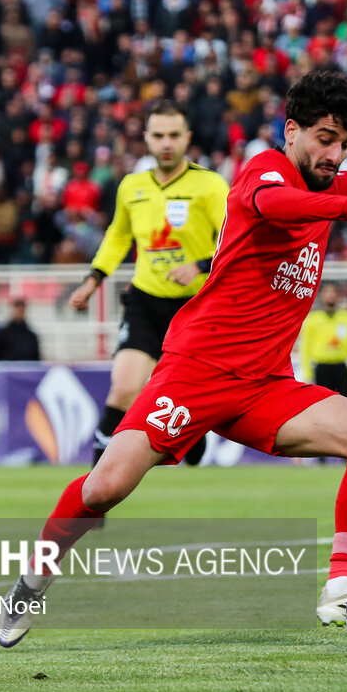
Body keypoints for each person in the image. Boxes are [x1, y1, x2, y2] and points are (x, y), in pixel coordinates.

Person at [0, 68, 347, 648]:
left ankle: (341, 586)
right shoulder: (268, 168)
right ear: (292, 130)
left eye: (344, 143)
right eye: (325, 139)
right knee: (104, 488)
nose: (335, 155)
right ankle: (31, 580)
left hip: (265, 385)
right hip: (197, 371)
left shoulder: (333, 181)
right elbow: (275, 204)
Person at [68, 101, 229, 470]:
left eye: (174, 135)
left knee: (191, 399)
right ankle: (91, 494)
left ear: (187, 138)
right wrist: (93, 279)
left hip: (195, 308)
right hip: (144, 302)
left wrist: (200, 265)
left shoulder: (210, 185)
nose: (166, 143)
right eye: (158, 135)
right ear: (146, 139)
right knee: (123, 390)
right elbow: (117, 237)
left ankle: (196, 430)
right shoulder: (132, 187)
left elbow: (235, 239)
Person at [299, 284, 347, 399]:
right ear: (322, 296)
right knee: (323, 406)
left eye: (333, 292)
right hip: (322, 369)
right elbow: (306, 348)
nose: (330, 295)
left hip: (341, 368)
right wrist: (307, 374)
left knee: (344, 406)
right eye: (327, 292)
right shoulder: (313, 319)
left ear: (337, 296)